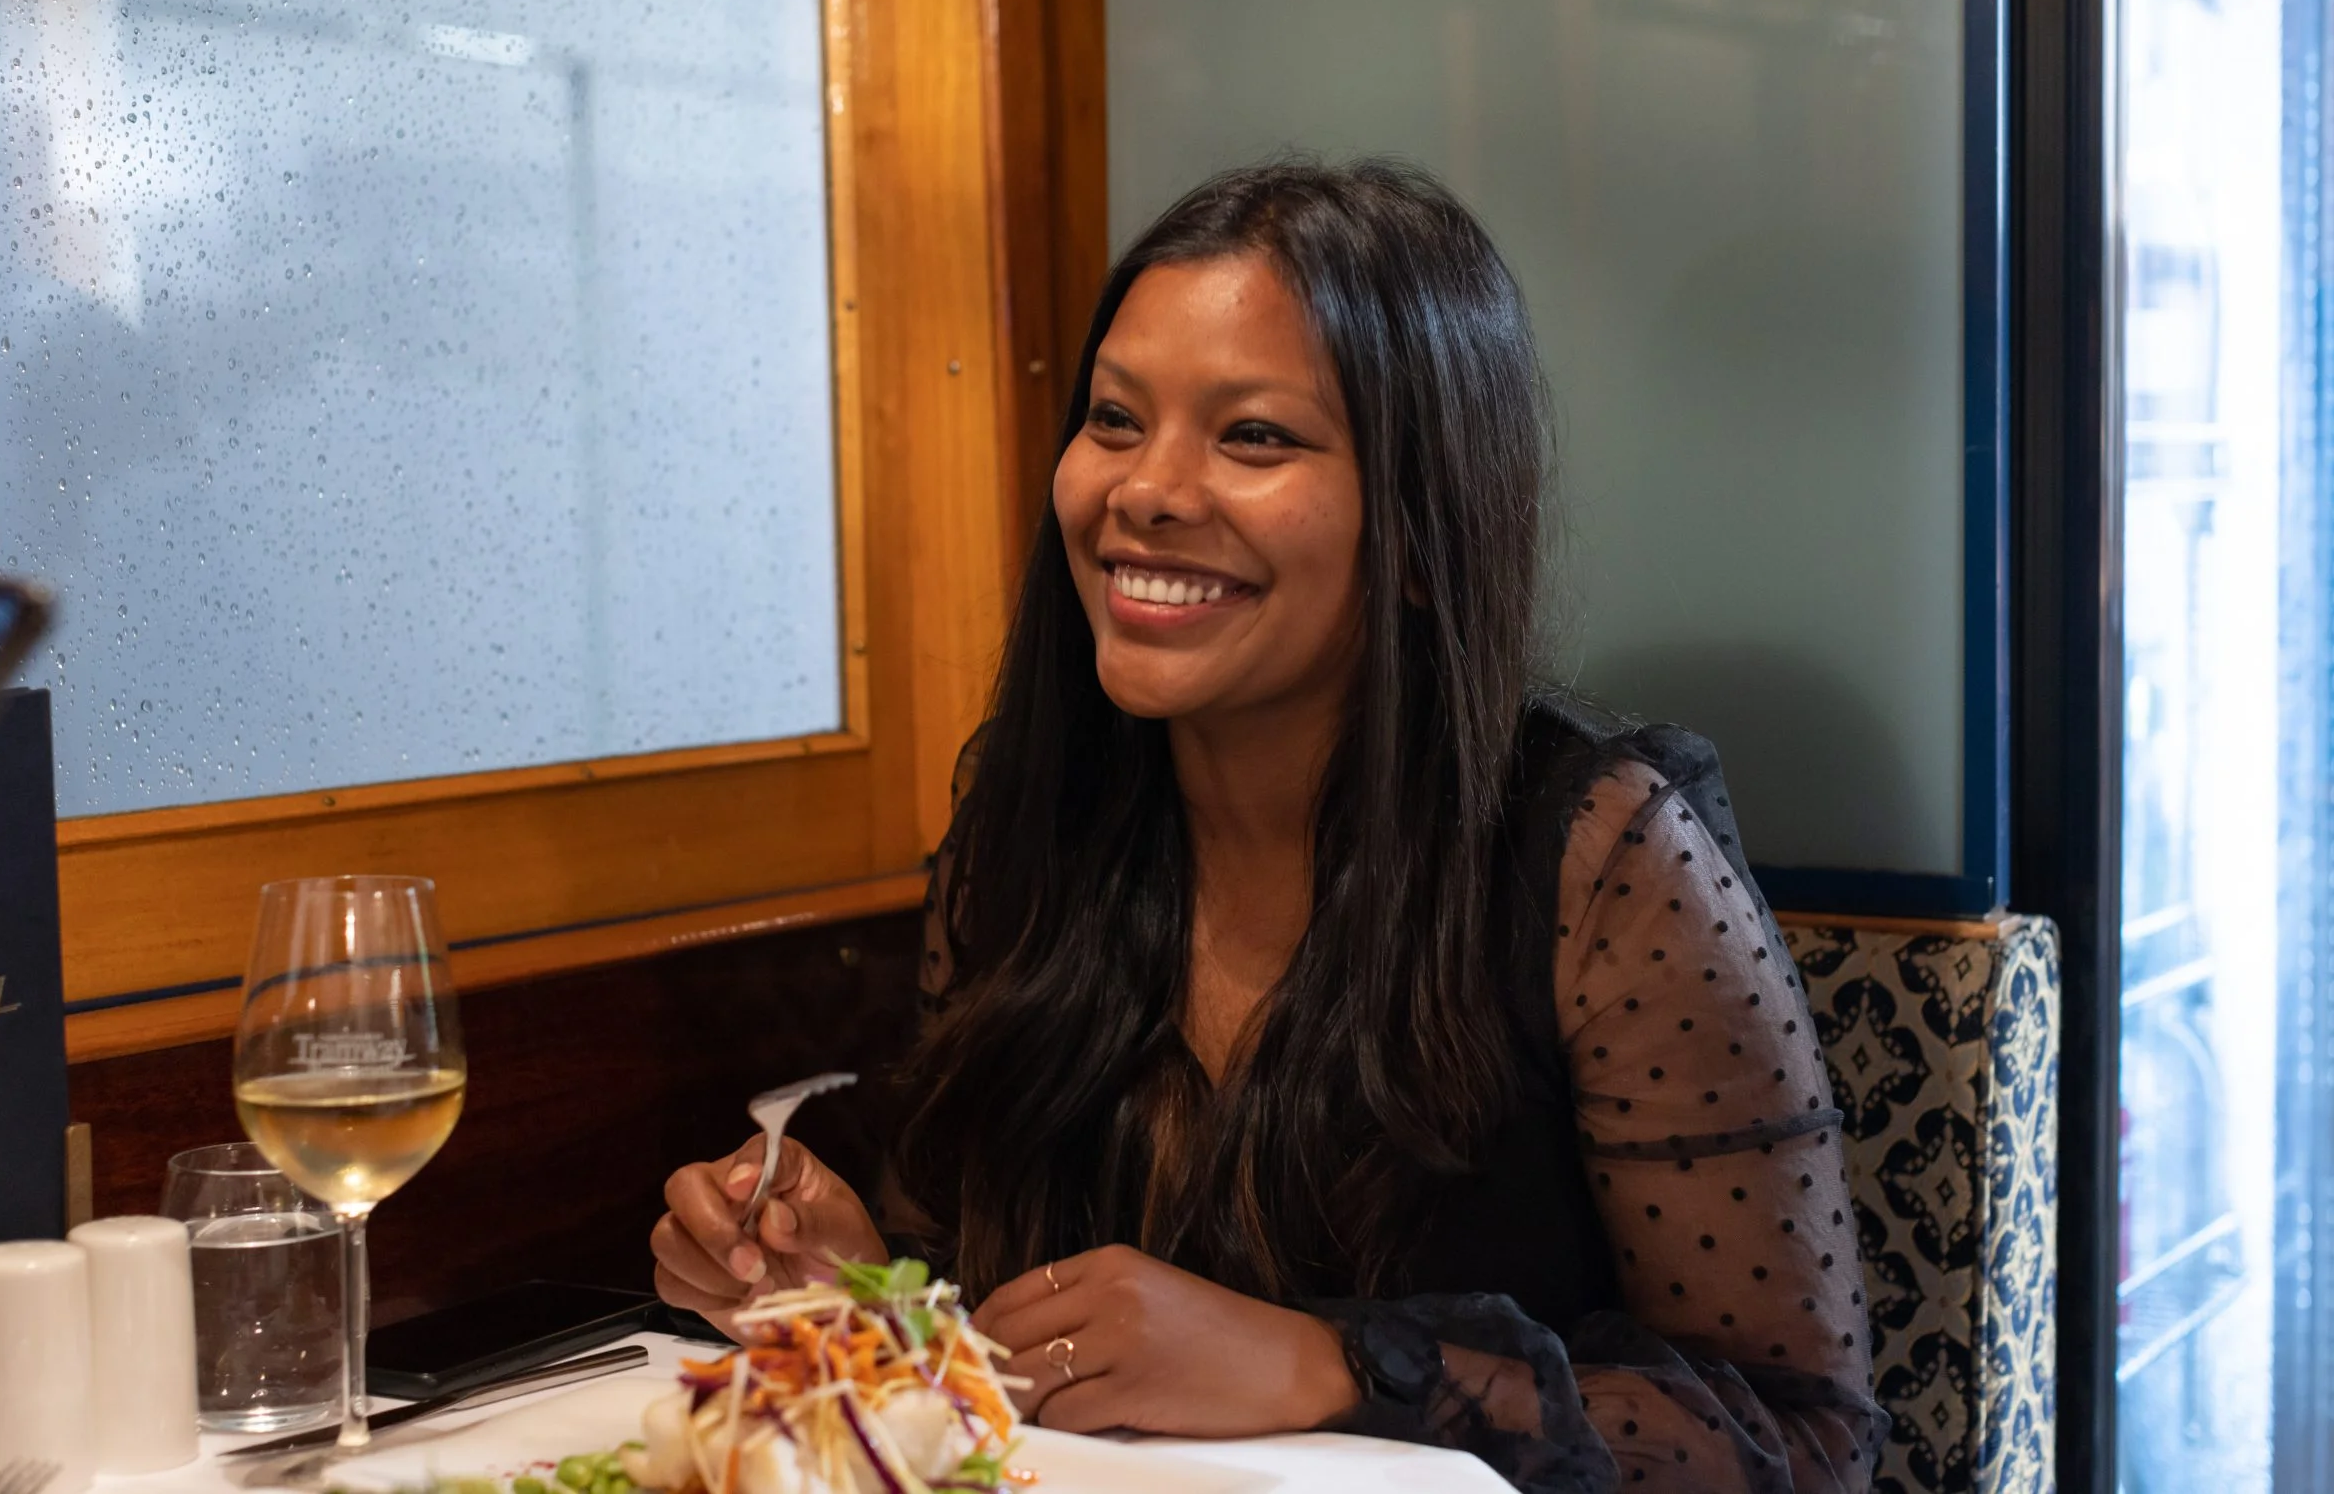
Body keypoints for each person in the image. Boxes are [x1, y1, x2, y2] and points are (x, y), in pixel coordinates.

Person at [652, 160, 1889, 1493]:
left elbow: (1802, 1445)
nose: (1146, 491)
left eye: (1254, 437)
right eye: (1115, 421)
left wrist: (1328, 1367)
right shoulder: (1030, 815)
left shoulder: (1602, 859)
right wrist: (862, 1305)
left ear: (1420, 530)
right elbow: (1012, 1360)